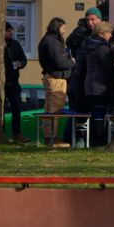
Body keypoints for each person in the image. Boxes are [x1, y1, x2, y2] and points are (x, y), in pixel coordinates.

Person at [81, 21, 114, 146]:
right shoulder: (102, 47)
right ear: (102, 33)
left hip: (91, 84)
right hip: (100, 85)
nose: (110, 36)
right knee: (100, 113)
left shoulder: (89, 45)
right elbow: (108, 66)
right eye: (109, 33)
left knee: (96, 113)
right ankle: (98, 140)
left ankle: (94, 139)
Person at [37, 18, 74, 146]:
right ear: (57, 27)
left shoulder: (46, 40)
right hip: (56, 78)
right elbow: (59, 62)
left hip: (50, 75)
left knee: (49, 108)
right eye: (63, 28)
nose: (64, 31)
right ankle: (52, 137)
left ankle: (49, 136)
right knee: (55, 109)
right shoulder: (52, 42)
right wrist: (72, 62)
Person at [65, 8, 100, 113]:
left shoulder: (103, 33)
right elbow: (69, 42)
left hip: (95, 78)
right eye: (87, 20)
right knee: (78, 109)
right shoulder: (83, 32)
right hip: (80, 75)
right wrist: (80, 29)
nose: (90, 22)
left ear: (99, 19)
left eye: (92, 19)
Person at [3, 23, 29, 140]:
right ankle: (1, 132)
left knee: (16, 107)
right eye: (8, 31)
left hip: (13, 81)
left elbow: (23, 59)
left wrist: (20, 64)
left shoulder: (15, 44)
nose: (11, 33)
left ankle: (17, 133)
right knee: (0, 109)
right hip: (0, 82)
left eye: (11, 31)